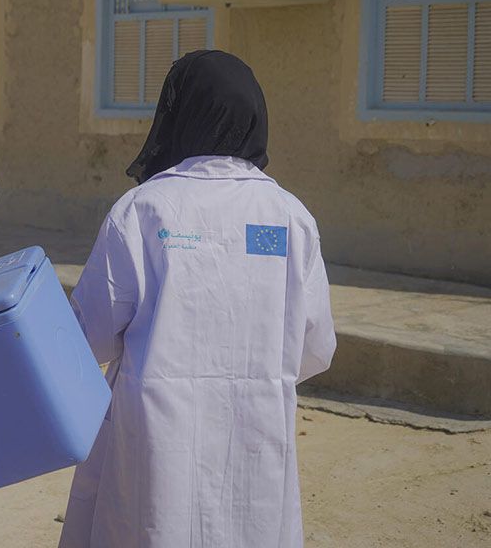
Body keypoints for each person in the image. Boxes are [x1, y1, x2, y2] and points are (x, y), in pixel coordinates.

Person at [58, 50, 336, 548]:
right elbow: (315, 350)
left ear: (177, 112)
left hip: (155, 439)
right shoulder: (290, 217)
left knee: (154, 525)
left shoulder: (144, 211)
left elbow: (90, 337)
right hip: (255, 440)